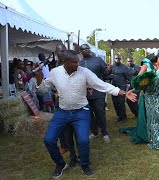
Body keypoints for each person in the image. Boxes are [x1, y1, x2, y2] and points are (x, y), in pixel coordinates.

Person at [35, 50, 137, 178]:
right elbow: (43, 89)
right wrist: (38, 76)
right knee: (49, 139)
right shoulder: (55, 72)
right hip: (63, 112)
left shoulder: (84, 72)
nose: (77, 64)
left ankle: (85, 165)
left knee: (83, 141)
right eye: (74, 62)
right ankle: (60, 164)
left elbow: (102, 85)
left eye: (77, 61)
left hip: (81, 112)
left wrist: (123, 92)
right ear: (64, 62)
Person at [79, 44, 111, 143]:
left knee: (100, 112)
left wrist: (108, 70)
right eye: (83, 50)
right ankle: (94, 132)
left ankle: (104, 132)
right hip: (84, 92)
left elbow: (106, 74)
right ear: (80, 52)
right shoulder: (79, 62)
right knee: (88, 113)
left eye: (87, 49)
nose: (85, 51)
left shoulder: (98, 60)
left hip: (98, 91)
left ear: (89, 50)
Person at [109, 54, 132, 122]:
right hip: (113, 87)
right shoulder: (112, 67)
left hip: (122, 86)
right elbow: (107, 75)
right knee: (115, 102)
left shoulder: (124, 67)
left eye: (119, 58)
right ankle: (119, 116)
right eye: (116, 58)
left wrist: (130, 84)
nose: (117, 60)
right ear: (114, 59)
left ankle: (124, 116)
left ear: (120, 59)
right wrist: (110, 75)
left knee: (121, 102)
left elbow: (128, 77)